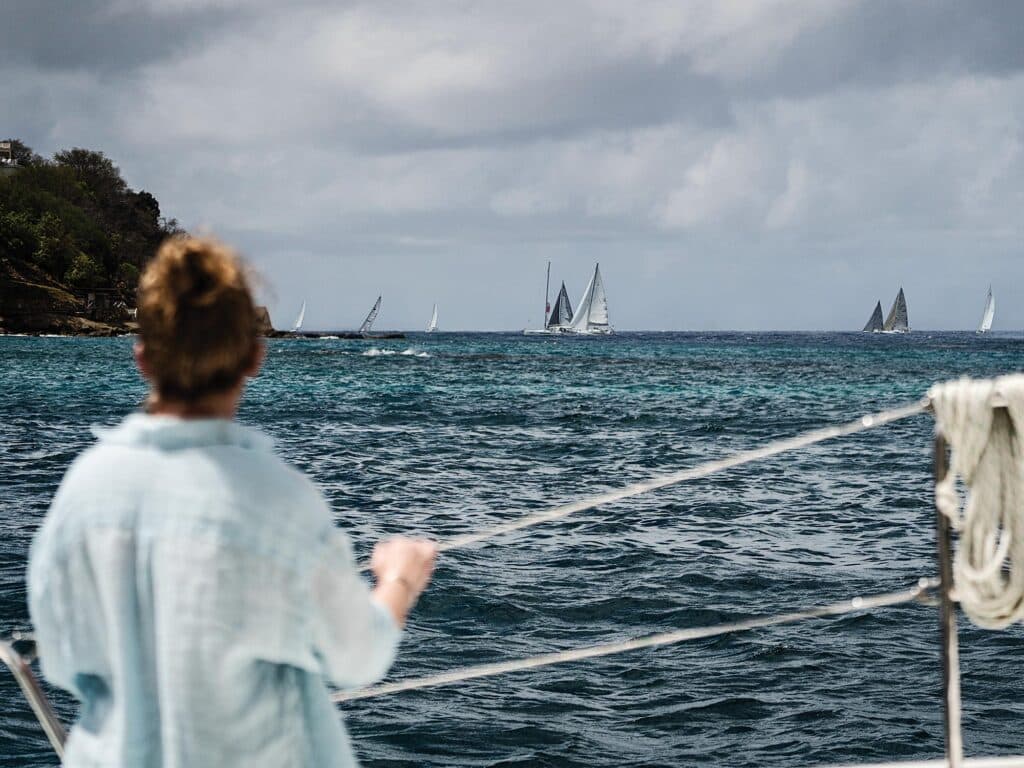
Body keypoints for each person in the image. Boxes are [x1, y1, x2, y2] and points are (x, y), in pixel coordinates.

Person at [28, 236, 436, 767]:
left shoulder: (83, 489)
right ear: (253, 358)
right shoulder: (279, 499)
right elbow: (357, 655)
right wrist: (399, 578)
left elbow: (62, 659)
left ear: (144, 358)